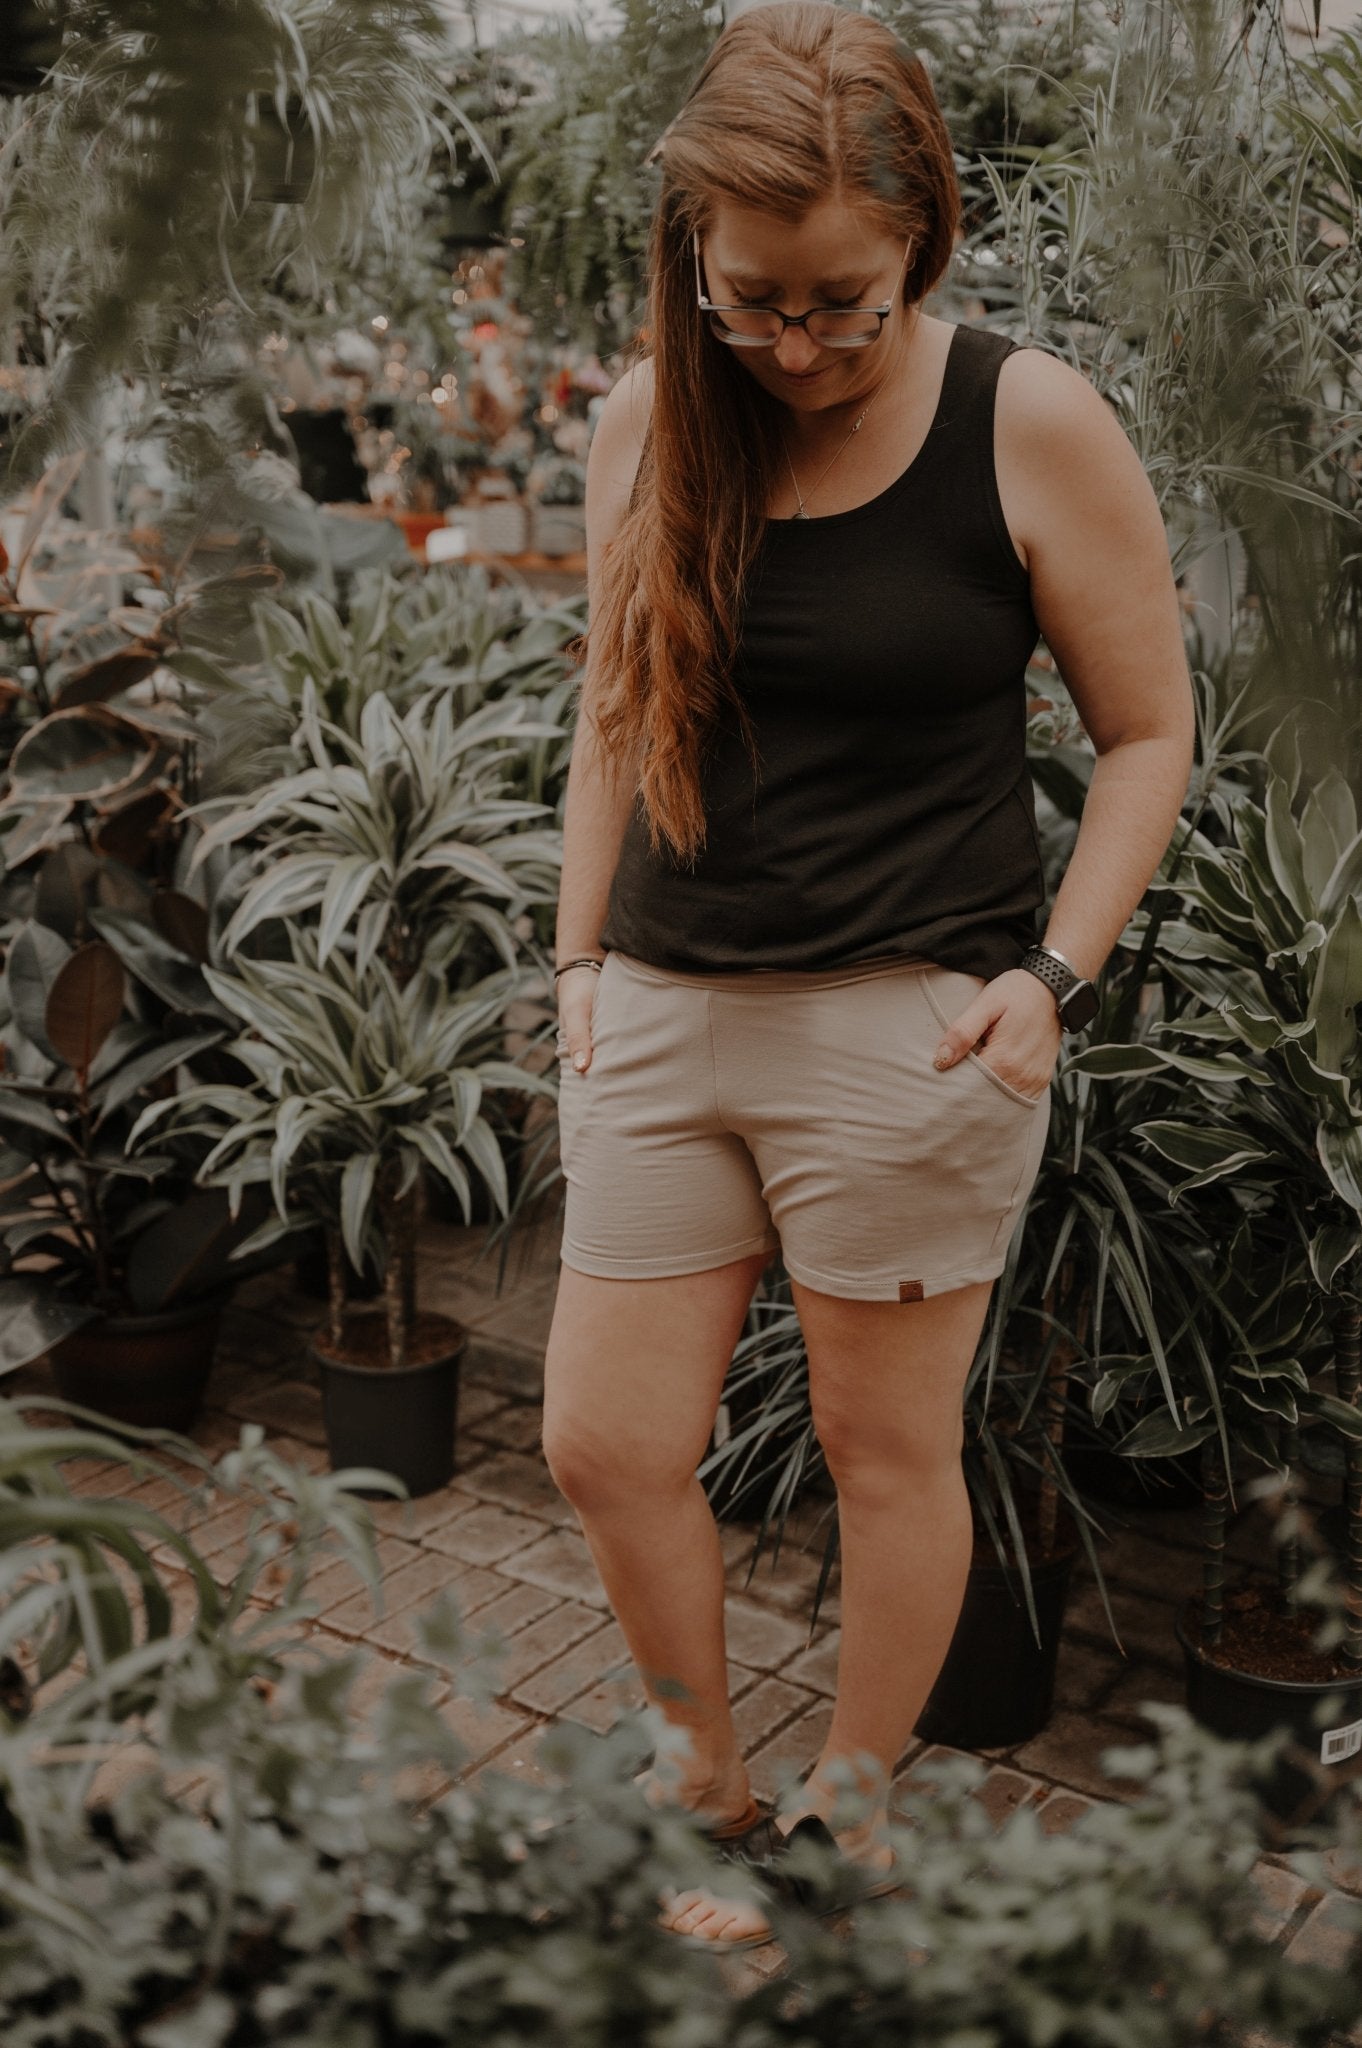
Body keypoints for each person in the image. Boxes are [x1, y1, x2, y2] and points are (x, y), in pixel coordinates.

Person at [540, 0, 1195, 1952]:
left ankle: (850, 1812)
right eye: (752, 300)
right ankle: (699, 1778)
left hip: (909, 1033)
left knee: (883, 1449)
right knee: (602, 1442)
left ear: (923, 236)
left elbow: (1147, 733)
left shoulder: (1029, 420)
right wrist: (574, 954)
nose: (800, 345)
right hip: (665, 1009)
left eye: (844, 300)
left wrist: (1051, 976)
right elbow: (612, 708)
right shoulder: (653, 416)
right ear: (690, 256)